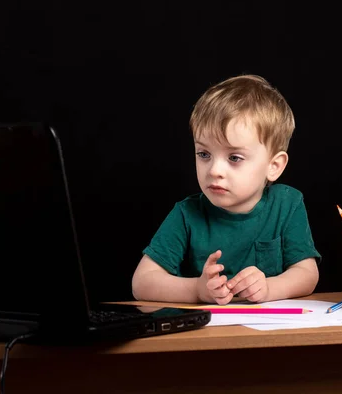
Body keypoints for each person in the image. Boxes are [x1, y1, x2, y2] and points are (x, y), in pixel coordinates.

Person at [131, 74, 321, 304]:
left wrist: (270, 287)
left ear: (273, 166)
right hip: (210, 335)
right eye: (204, 154)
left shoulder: (287, 204)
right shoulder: (187, 213)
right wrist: (197, 290)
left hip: (271, 332)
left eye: (234, 157)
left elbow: (307, 274)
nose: (214, 170)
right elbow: (142, 282)